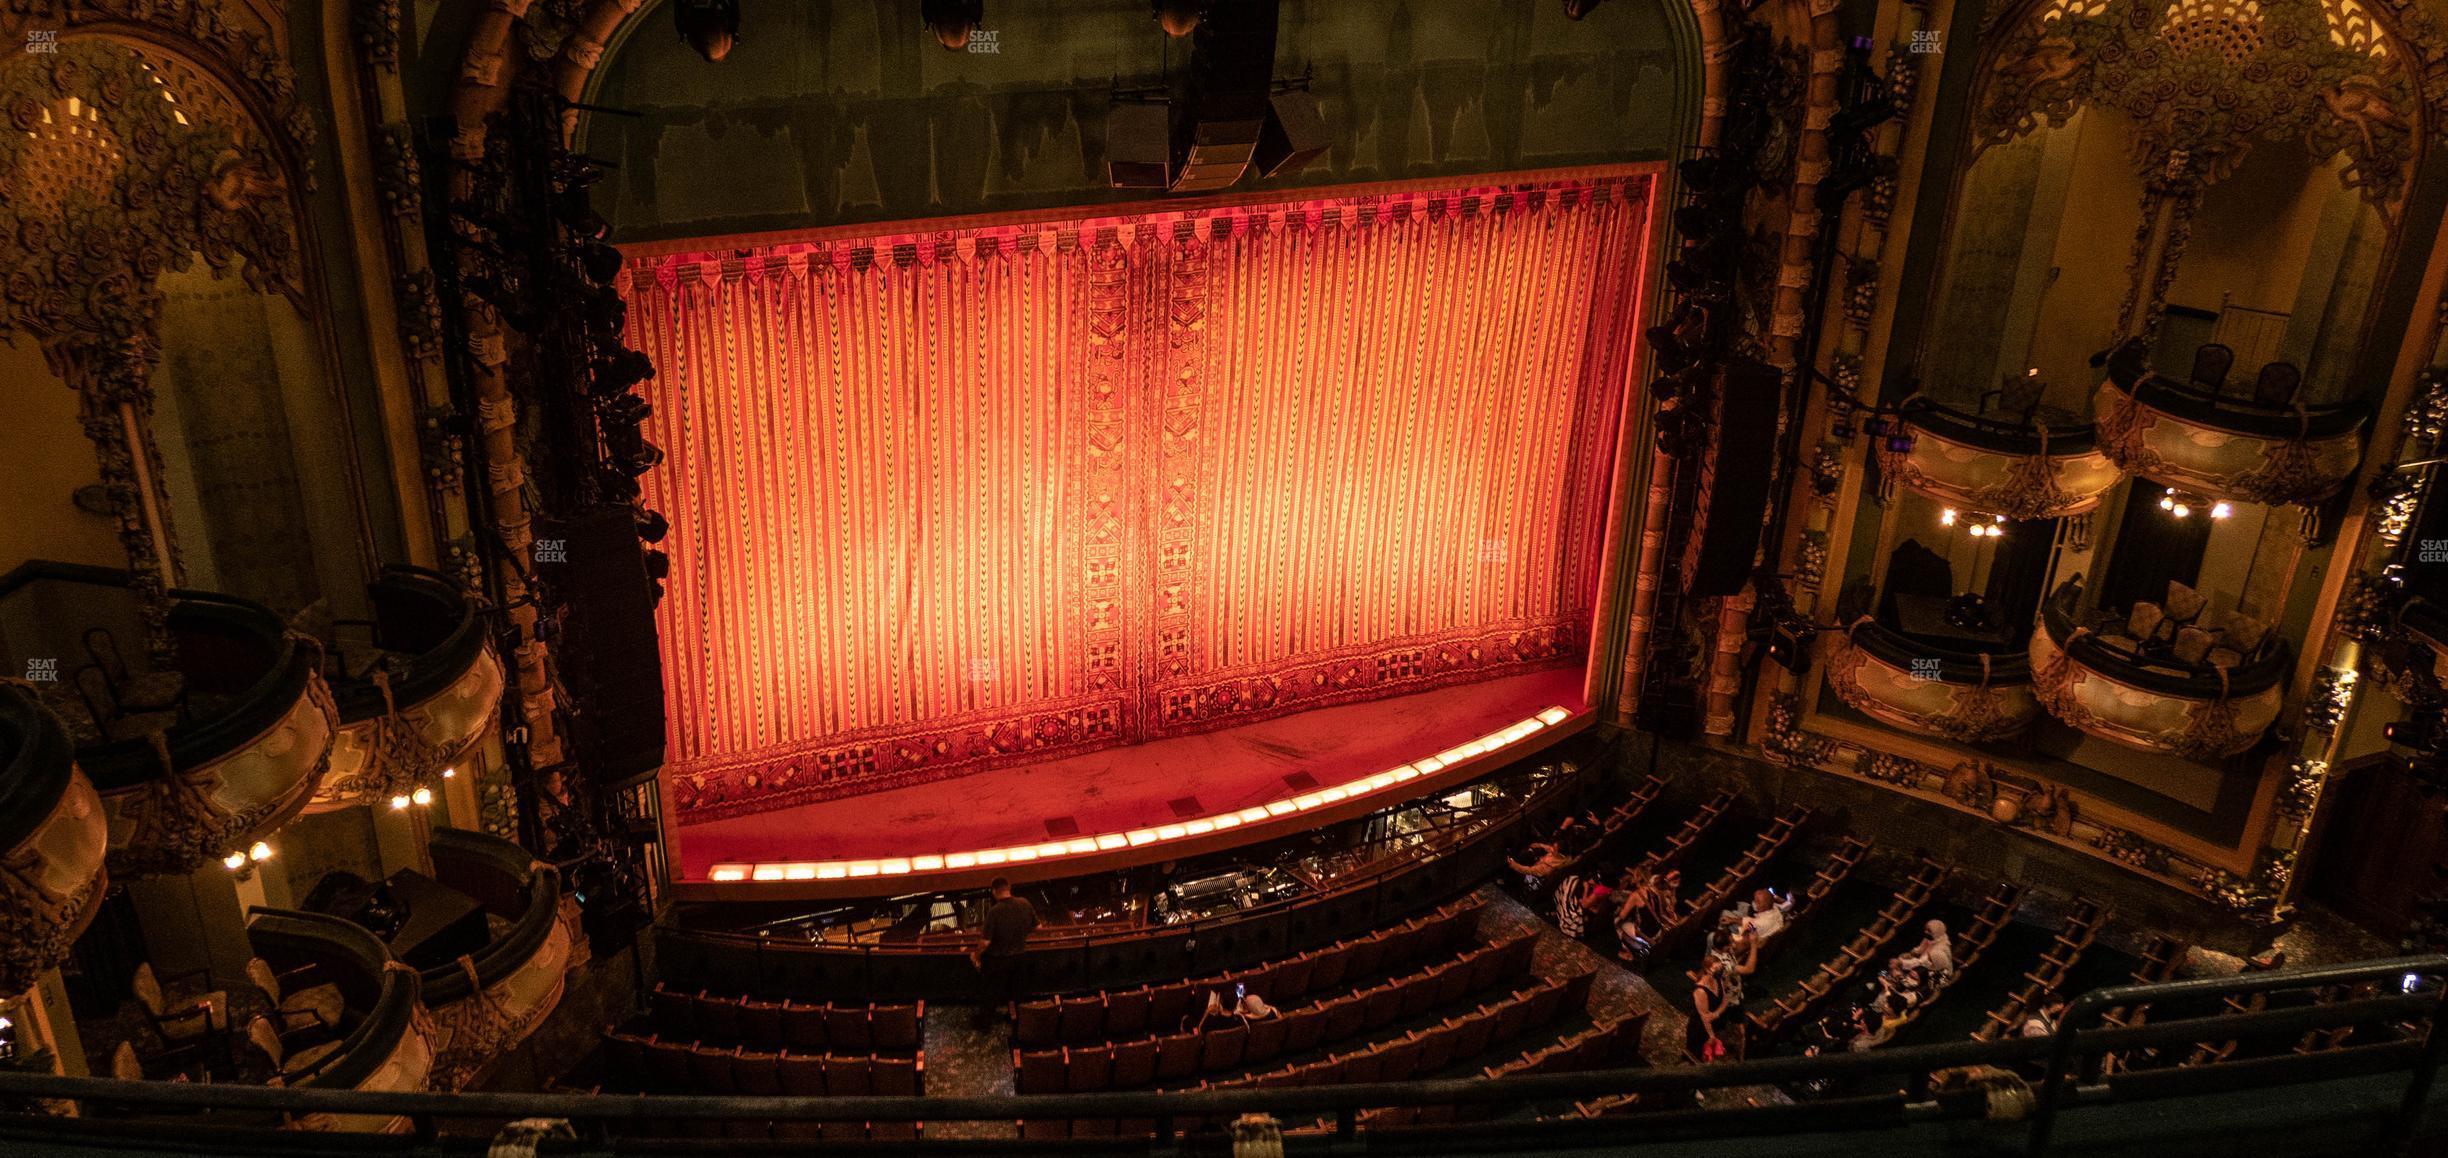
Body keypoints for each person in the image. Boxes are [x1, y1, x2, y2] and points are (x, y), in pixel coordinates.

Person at [970, 877, 1038, 1012]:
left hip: (998, 960)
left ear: (994, 891)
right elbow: (1038, 927)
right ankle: (1014, 1017)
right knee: (1016, 992)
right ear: (1009, 888)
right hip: (1020, 956)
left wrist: (975, 956)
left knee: (990, 993)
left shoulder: (994, 911)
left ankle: (986, 1021)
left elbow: (985, 942)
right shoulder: (1025, 903)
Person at [1687, 955, 1735, 1062]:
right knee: (1697, 1057)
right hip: (1700, 1028)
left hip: (1714, 1024)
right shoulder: (1700, 990)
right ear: (1707, 970)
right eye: (1716, 969)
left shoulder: (1717, 979)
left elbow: (1725, 1000)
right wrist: (1711, 1036)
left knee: (1708, 1057)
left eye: (1720, 969)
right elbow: (1705, 1018)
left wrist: (1715, 1014)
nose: (1719, 971)